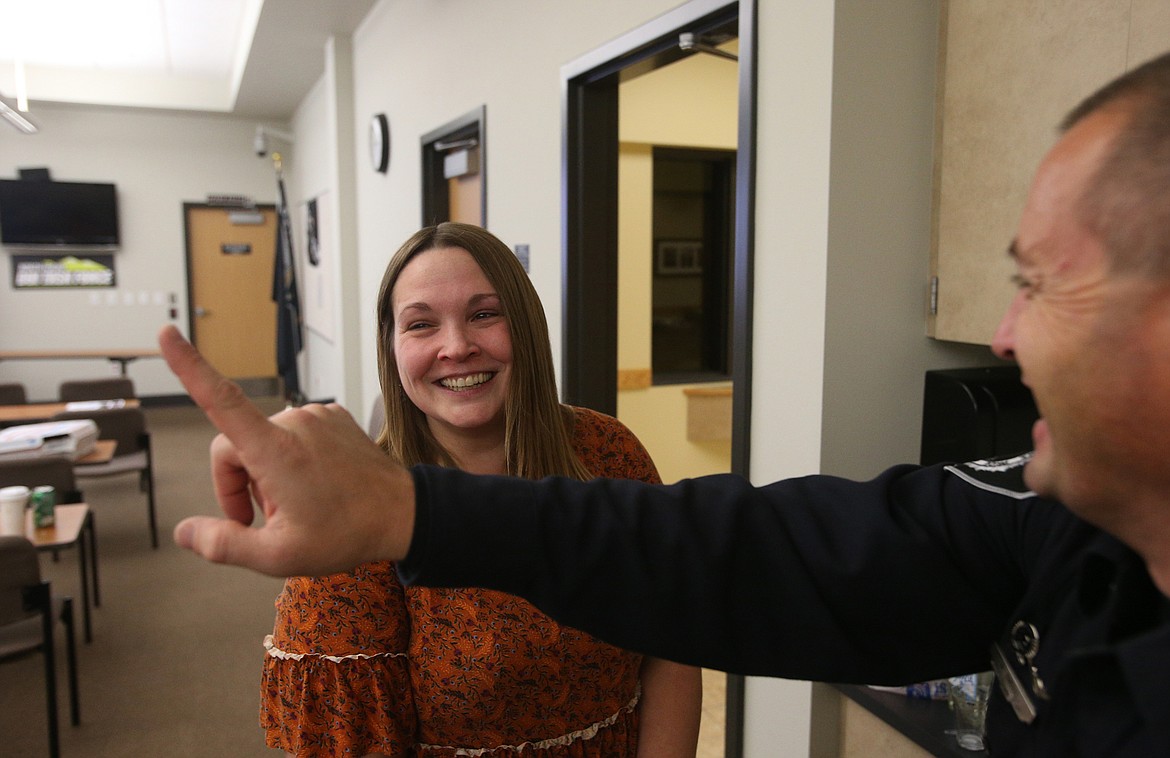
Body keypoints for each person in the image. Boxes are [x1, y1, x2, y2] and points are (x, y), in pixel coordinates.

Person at [158, 50, 1170, 755]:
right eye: (419, 323)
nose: (1002, 334)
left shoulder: (602, 447)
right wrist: (401, 510)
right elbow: (740, 555)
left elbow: (667, 631)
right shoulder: (1048, 527)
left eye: (1038, 282)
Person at [258, 222, 701, 757]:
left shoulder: (609, 452)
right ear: (392, 347)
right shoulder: (358, 509)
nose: (457, 347)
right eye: (421, 324)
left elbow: (672, 647)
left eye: (484, 314)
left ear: (527, 325)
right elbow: (350, 738)